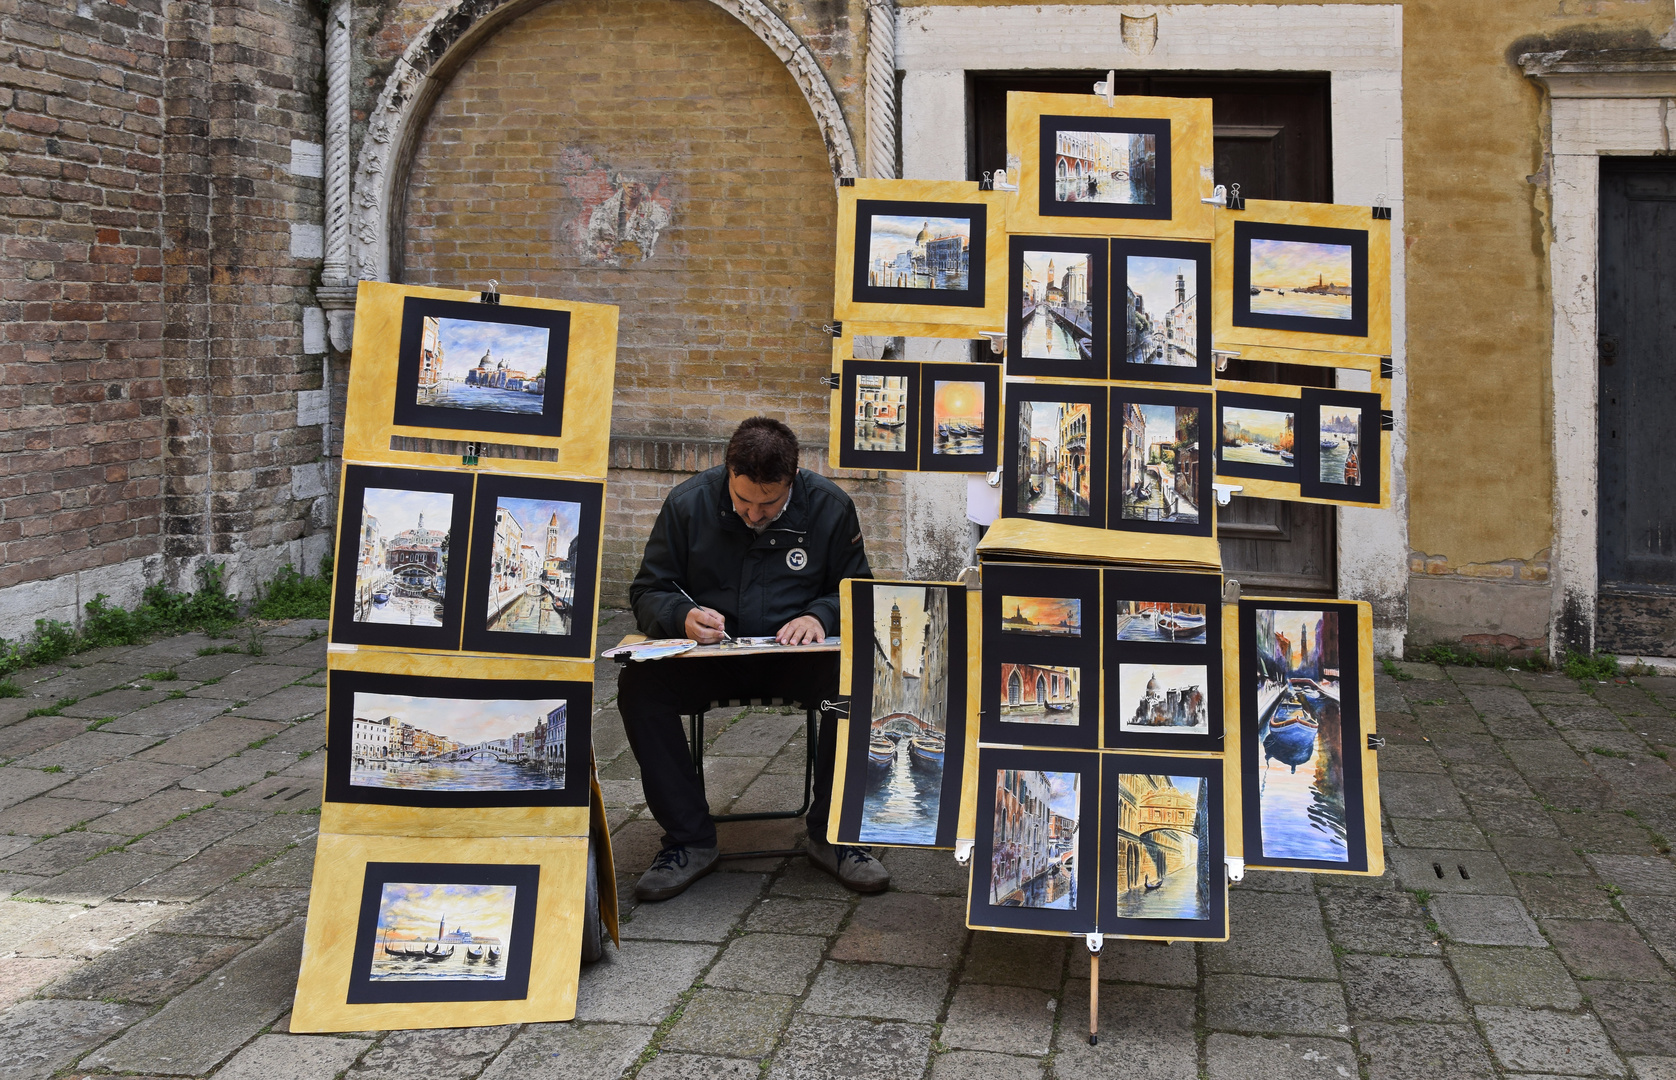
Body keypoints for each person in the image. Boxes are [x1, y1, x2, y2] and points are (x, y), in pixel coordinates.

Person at [620, 417, 890, 901]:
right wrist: (681, 616)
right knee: (640, 689)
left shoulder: (830, 507)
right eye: (743, 501)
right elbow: (647, 590)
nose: (752, 514)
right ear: (727, 471)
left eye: (769, 504)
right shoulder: (688, 504)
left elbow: (858, 592)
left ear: (793, 479)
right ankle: (688, 840)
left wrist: (821, 615)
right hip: (708, 661)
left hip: (799, 662)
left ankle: (834, 834)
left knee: (853, 688)